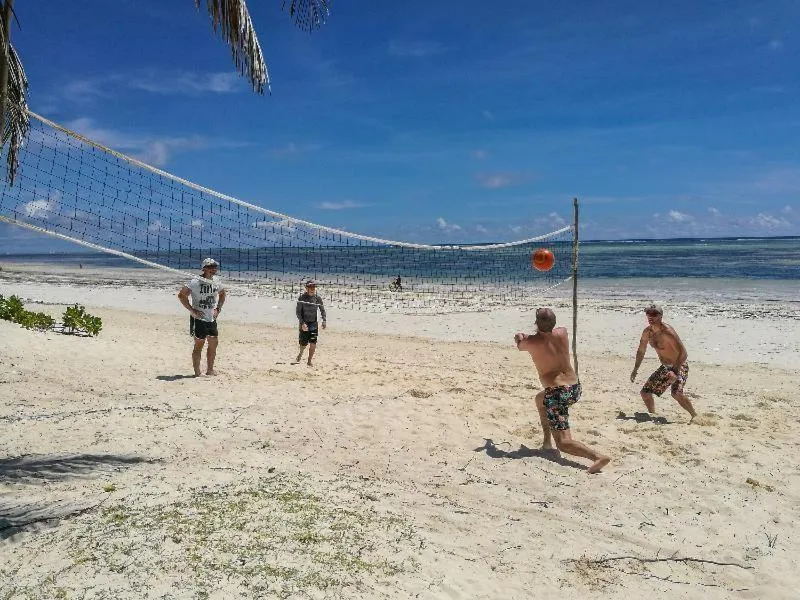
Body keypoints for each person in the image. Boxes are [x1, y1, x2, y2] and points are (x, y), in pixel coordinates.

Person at [515, 307, 611, 474]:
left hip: (557, 393)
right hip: (574, 388)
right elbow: (547, 333)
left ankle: (597, 457)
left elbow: (520, 346)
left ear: (536, 323)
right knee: (540, 400)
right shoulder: (563, 332)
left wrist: (519, 337)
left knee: (564, 443)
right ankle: (546, 443)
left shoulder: (531, 342)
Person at [630, 304, 697, 422]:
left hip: (679, 365)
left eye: (654, 314)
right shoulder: (647, 332)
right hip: (665, 367)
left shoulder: (667, 332)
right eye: (648, 314)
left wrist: (674, 371)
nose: (650, 316)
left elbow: (684, 353)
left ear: (661, 316)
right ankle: (653, 415)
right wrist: (635, 369)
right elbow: (641, 351)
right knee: (645, 393)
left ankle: (695, 416)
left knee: (676, 393)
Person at [177, 257, 226, 377]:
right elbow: (181, 295)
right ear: (204, 268)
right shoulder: (195, 281)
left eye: (215, 267)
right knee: (199, 344)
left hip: (211, 318)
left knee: (213, 343)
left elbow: (223, 294)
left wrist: (218, 309)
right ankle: (197, 373)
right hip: (198, 318)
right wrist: (192, 310)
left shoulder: (216, 281)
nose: (214, 269)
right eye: (211, 267)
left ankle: (210, 370)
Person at [295, 279, 326, 366]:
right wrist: (302, 323)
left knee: (313, 342)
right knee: (303, 344)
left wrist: (324, 320)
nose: (312, 289)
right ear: (306, 288)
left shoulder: (317, 298)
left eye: (313, 287)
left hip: (313, 324)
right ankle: (301, 353)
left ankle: (309, 361)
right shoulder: (302, 298)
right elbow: (298, 312)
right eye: (310, 287)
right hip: (304, 323)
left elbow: (322, 310)